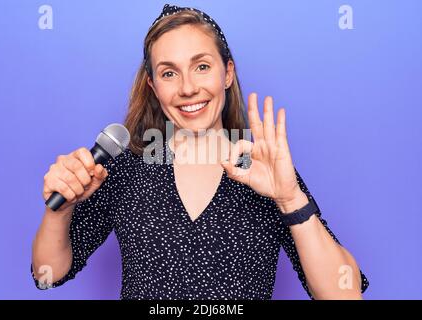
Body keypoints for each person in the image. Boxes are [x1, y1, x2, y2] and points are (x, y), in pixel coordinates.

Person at [31, 4, 369, 299]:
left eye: (202, 66)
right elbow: (48, 274)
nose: (188, 87)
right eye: (169, 73)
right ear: (154, 86)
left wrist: (290, 199)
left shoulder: (262, 166)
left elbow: (344, 294)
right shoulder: (127, 166)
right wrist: (59, 210)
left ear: (228, 73)